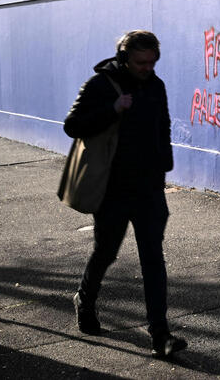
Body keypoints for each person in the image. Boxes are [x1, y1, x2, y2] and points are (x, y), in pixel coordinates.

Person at [63, 30, 187, 357]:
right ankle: (84, 298)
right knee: (106, 252)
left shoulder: (156, 85)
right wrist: (113, 109)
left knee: (153, 259)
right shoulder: (99, 86)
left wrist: (164, 164)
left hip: (148, 189)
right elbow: (72, 125)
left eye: (152, 62)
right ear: (123, 58)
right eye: (140, 62)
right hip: (112, 190)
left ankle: (160, 335)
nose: (147, 68)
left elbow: (163, 125)